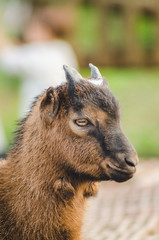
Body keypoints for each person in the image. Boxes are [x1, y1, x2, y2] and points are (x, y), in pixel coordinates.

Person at [0, 6, 78, 153]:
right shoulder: (62, 49)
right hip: (61, 122)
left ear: (44, 30)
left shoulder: (41, 53)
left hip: (40, 125)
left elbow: (7, 58)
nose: (27, 30)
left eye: (32, 26)